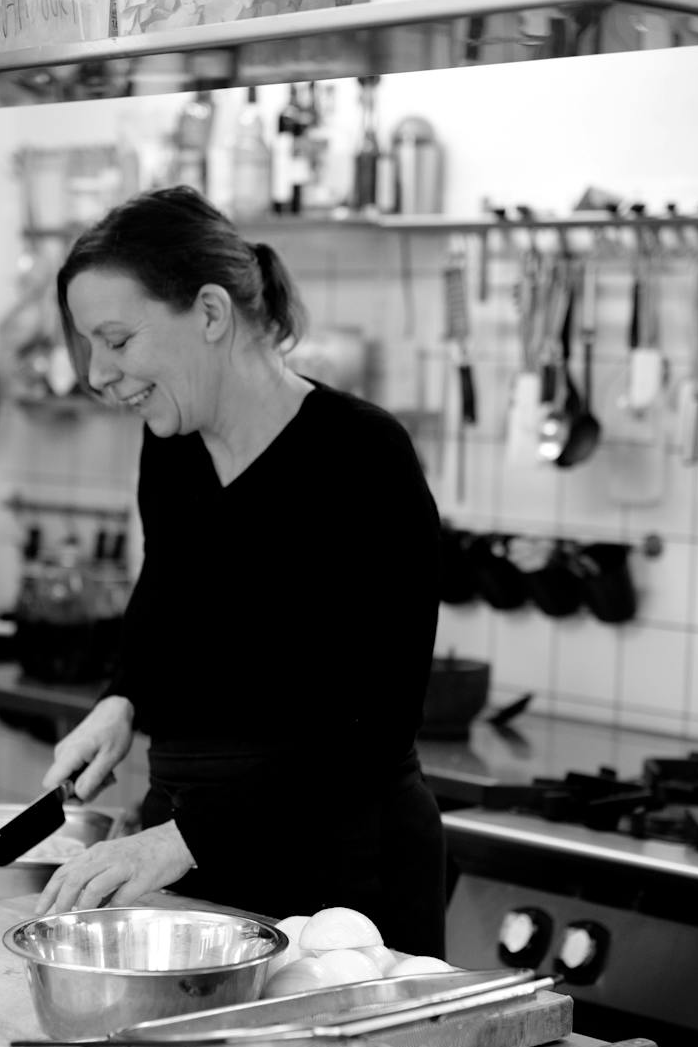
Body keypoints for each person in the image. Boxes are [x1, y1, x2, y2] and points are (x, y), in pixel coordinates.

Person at [34, 187, 447, 956]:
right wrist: (123, 698)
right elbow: (167, 596)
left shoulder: (362, 457)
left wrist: (176, 841)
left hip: (339, 884)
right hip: (198, 860)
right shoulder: (173, 443)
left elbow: (373, 728)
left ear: (213, 314)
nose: (97, 372)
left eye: (117, 340)